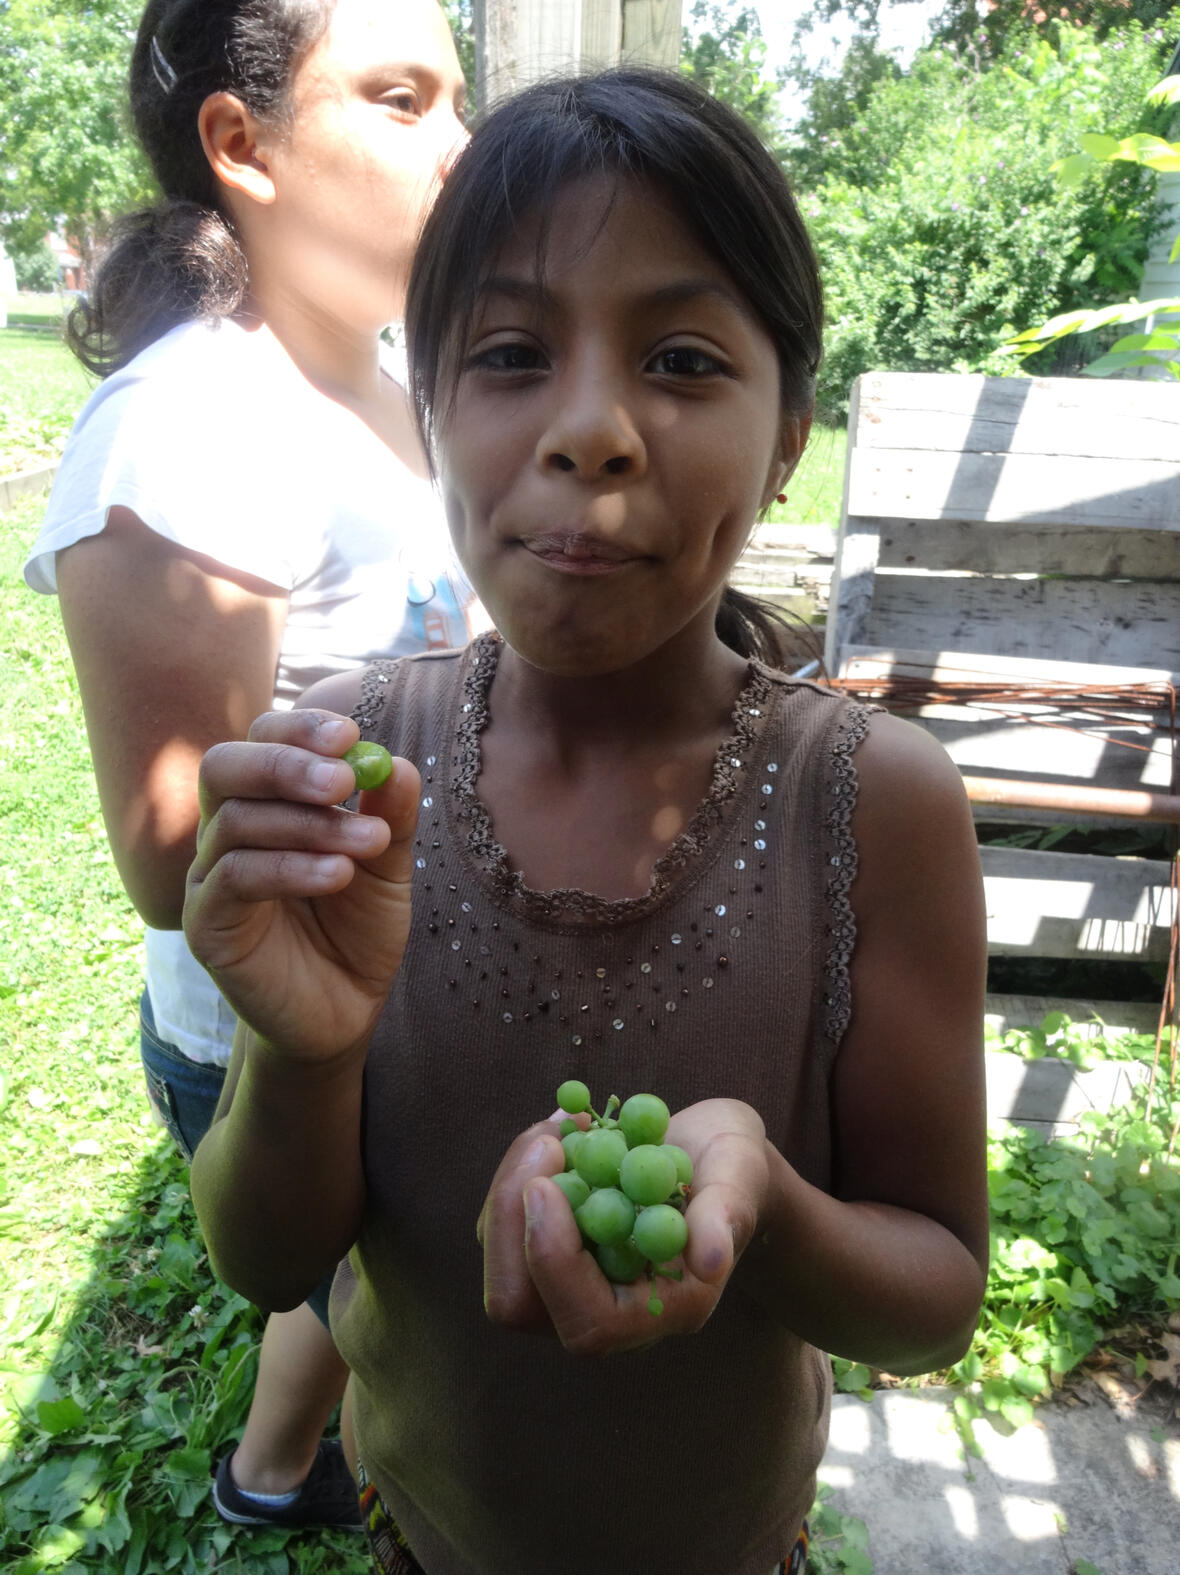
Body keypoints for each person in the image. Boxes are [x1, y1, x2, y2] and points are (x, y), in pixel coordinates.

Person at [183, 68, 990, 1575]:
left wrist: (769, 1206)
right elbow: (263, 1254)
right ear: (428, 411)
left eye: (684, 358)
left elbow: (936, 1296)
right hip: (423, 1534)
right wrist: (306, 1043)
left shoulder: (873, 804)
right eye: (507, 353)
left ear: (789, 431)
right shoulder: (355, 761)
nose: (594, 430)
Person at [22, 0, 473, 1533]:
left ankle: (278, 1468)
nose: (461, 147)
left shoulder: (399, 364)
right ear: (241, 144)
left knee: (362, 1267)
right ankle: (282, 1473)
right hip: (275, 1030)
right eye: (404, 99)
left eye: (456, 98)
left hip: (411, 975)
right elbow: (168, 851)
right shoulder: (188, 433)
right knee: (355, 1265)